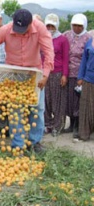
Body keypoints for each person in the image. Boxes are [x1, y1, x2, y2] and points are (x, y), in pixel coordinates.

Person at [0, 9, 54, 153]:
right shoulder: (6, 29)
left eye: (23, 29)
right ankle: (18, 144)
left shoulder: (40, 29)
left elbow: (49, 51)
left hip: (34, 75)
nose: (19, 32)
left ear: (30, 24)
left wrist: (45, 75)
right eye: (17, 29)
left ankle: (35, 142)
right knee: (16, 111)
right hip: (14, 75)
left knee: (37, 109)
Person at [62, 14, 91, 142]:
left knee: (78, 101)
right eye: (75, 25)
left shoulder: (88, 38)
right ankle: (71, 123)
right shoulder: (67, 35)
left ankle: (77, 126)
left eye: (80, 26)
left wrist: (82, 76)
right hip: (67, 73)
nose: (77, 28)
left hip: (80, 74)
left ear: (84, 25)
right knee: (69, 100)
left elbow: (87, 58)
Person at [44, 13, 70, 137]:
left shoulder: (62, 39)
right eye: (48, 25)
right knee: (46, 101)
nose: (50, 28)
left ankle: (57, 126)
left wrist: (65, 75)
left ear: (57, 26)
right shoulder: (43, 38)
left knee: (57, 102)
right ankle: (48, 124)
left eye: (52, 26)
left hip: (57, 73)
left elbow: (65, 58)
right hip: (45, 73)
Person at [76, 32, 94, 142]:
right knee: (86, 107)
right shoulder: (89, 42)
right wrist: (80, 77)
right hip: (88, 78)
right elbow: (83, 61)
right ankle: (84, 134)